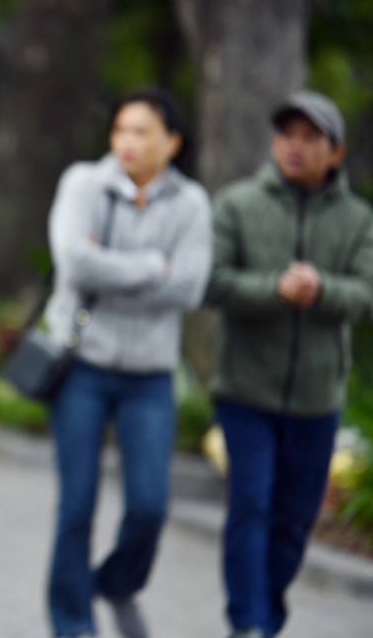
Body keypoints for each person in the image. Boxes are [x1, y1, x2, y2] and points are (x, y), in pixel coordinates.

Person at [43, 87, 213, 638]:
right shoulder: (83, 184)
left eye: (142, 132)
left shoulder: (191, 205)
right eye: (121, 130)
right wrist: (153, 266)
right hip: (82, 369)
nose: (128, 143)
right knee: (77, 506)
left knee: (149, 506)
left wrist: (115, 267)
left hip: (150, 377)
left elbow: (189, 288)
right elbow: (74, 262)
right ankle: (73, 623)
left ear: (172, 142)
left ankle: (114, 583)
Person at [205, 90, 373, 638]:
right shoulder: (237, 205)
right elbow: (213, 282)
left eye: (309, 137)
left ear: (335, 152)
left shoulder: (357, 219)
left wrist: (320, 290)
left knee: (294, 521)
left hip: (316, 398)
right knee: (250, 506)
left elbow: (367, 294)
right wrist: (274, 289)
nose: (295, 147)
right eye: (287, 135)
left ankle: (267, 616)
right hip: (245, 392)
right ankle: (248, 623)